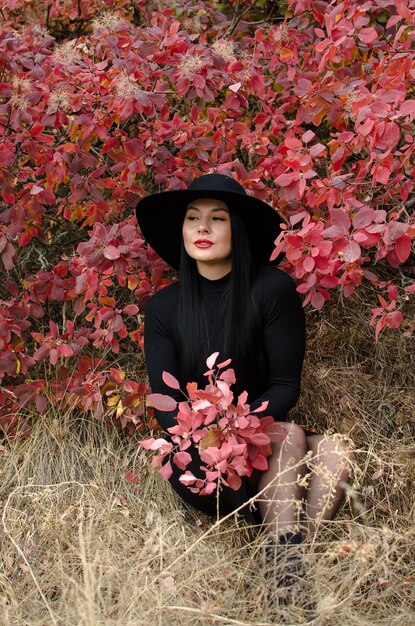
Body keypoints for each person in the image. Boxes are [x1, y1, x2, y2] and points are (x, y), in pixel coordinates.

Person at [136, 173, 353, 584]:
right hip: (205, 459)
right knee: (289, 436)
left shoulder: (271, 289)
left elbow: (286, 386)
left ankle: (286, 569)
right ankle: (288, 572)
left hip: (264, 435)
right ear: (181, 229)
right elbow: (164, 402)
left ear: (237, 228)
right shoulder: (164, 309)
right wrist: (220, 441)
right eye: (193, 218)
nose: (203, 227)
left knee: (335, 449)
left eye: (217, 218)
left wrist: (245, 430)